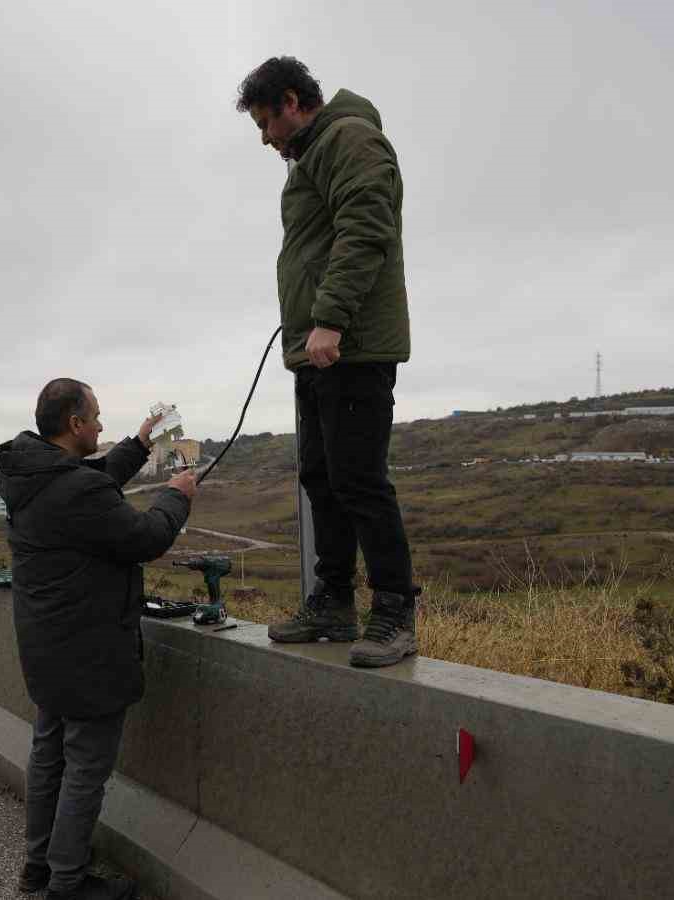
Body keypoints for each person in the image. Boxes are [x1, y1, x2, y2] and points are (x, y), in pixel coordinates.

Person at [236, 56, 420, 668]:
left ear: (292, 101)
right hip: (315, 352)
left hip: (352, 345)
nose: (265, 138)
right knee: (320, 476)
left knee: (359, 479)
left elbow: (367, 227)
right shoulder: (311, 156)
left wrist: (332, 317)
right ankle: (334, 603)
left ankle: (393, 612)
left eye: (266, 122)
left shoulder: (350, 138)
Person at [0, 378, 196, 900]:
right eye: (97, 417)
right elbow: (144, 538)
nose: (103, 426)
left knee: (49, 757)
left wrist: (144, 439)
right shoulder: (74, 490)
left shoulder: (32, 474)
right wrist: (177, 498)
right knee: (84, 769)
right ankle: (67, 882)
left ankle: (37, 867)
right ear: (76, 424)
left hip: (46, 646)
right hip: (89, 652)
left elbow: (95, 479)